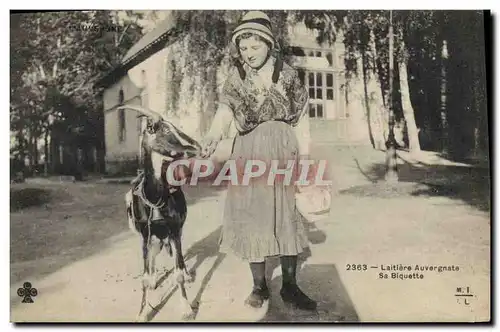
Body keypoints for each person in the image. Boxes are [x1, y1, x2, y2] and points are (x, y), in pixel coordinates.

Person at [201, 11, 317, 311]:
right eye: (243, 49)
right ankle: (259, 285)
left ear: (268, 44)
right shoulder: (237, 79)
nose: (248, 54)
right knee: (252, 215)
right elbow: (225, 111)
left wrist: (303, 158)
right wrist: (214, 134)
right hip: (248, 151)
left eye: (254, 47)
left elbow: (301, 120)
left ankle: (290, 287)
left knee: (286, 215)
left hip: (282, 149)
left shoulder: (289, 76)